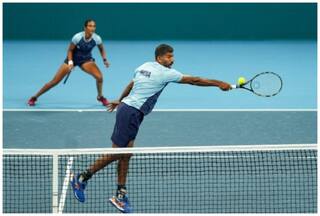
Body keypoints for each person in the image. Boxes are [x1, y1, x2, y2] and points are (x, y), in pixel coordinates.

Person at [70, 44, 231, 213]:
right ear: (159, 58)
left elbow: (132, 84)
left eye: (172, 56)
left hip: (129, 110)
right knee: (118, 153)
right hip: (131, 113)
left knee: (126, 154)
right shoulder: (166, 73)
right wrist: (219, 83)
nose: (172, 59)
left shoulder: (143, 66)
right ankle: (82, 178)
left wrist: (121, 99)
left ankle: (120, 194)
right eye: (169, 57)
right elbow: (195, 80)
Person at [27, 19, 110, 106]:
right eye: (90, 26)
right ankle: (34, 97)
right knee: (54, 82)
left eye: (94, 26)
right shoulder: (77, 37)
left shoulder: (97, 38)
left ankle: (100, 97)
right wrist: (70, 62)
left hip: (86, 60)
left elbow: (101, 49)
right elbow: (70, 50)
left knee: (99, 77)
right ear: (85, 27)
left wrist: (104, 60)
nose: (92, 28)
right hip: (72, 59)